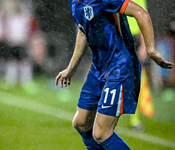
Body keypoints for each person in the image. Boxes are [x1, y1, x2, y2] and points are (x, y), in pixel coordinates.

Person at [55, 0, 173, 149]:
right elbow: (83, 30)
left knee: (101, 133)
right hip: (99, 68)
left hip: (120, 66)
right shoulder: (74, 1)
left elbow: (141, 13)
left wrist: (150, 49)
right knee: (81, 123)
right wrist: (70, 69)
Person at [127, 0, 154, 131]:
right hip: (120, 38)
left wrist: (144, 45)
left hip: (134, 40)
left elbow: (143, 20)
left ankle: (135, 119)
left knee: (136, 81)